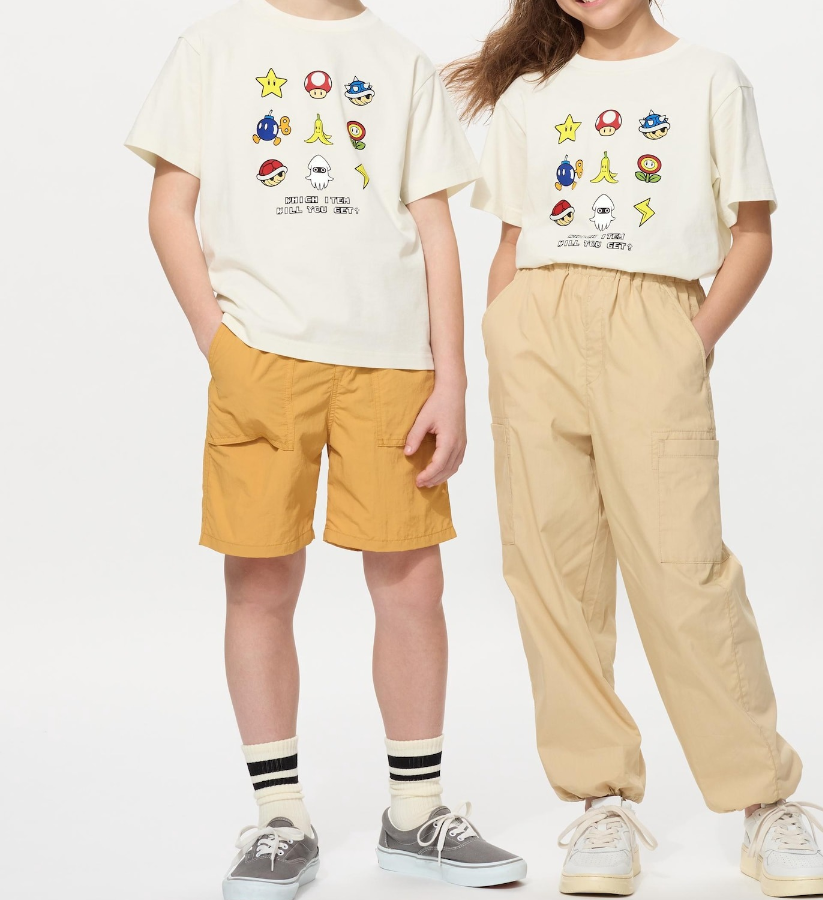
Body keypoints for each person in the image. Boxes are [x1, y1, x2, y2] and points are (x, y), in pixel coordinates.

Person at [125, 0, 527, 895]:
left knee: (412, 581)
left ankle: (415, 813)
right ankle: (280, 818)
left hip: (392, 362)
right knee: (260, 577)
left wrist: (452, 378)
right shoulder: (213, 45)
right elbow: (169, 208)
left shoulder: (399, 59)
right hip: (261, 357)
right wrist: (220, 345)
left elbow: (434, 228)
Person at [447, 0, 823, 896]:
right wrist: (501, 339)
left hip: (652, 321)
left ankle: (764, 801)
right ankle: (599, 804)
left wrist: (689, 341)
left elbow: (752, 234)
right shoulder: (532, 95)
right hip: (535, 327)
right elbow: (511, 240)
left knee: (683, 569)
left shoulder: (709, 77)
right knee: (552, 571)